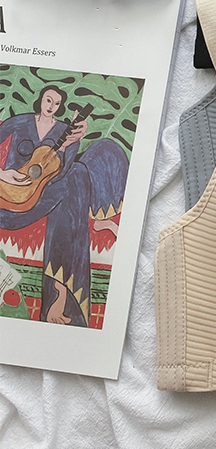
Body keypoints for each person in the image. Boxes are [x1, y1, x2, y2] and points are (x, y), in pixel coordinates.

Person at [0, 85, 127, 326]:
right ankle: (62, 297)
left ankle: (60, 296)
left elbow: (62, 171)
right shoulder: (20, 122)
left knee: (84, 167)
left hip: (47, 194)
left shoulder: (62, 131)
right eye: (48, 100)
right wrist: (3, 174)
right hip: (12, 198)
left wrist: (71, 144)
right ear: (40, 99)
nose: (51, 106)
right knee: (76, 179)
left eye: (56, 103)